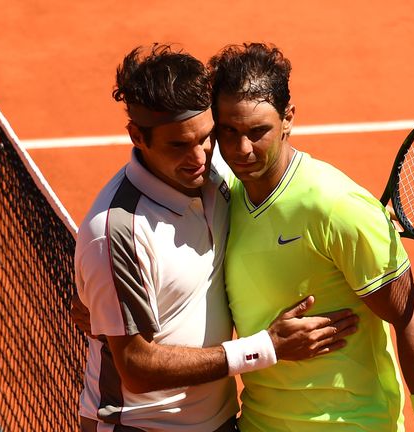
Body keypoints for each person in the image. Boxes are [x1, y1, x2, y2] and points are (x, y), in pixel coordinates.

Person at [73, 44, 358, 432]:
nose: (198, 157)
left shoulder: (218, 174)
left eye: (206, 137)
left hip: (220, 422)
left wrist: (362, 221)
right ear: (137, 136)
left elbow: (286, 192)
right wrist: (264, 348)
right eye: (178, 144)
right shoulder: (116, 233)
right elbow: (136, 368)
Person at [209, 42, 414, 431]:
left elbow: (412, 316)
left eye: (258, 132)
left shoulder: (336, 205)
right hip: (259, 423)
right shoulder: (224, 197)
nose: (242, 150)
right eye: (229, 131)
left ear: (288, 118)